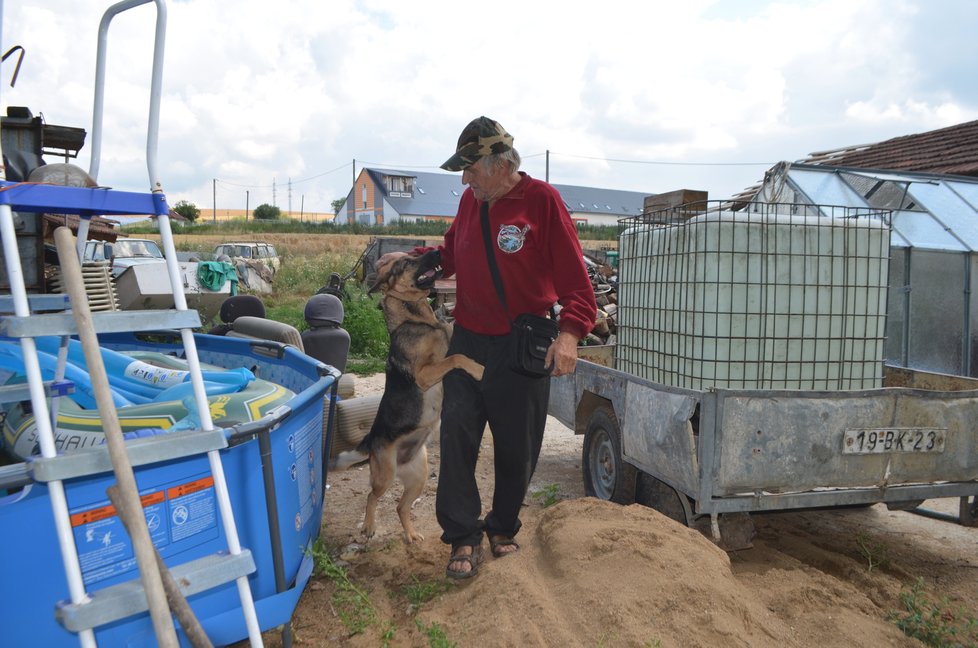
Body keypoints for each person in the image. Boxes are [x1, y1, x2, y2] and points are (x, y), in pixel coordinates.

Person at [399, 116, 596, 579]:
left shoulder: (542, 202)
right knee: (458, 433)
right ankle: (462, 535)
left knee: (517, 446)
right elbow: (450, 251)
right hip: (468, 340)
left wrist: (570, 333)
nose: (464, 180)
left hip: (521, 343)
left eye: (471, 169)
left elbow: (577, 282)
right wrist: (414, 260)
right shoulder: (473, 201)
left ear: (499, 163)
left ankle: (503, 527)